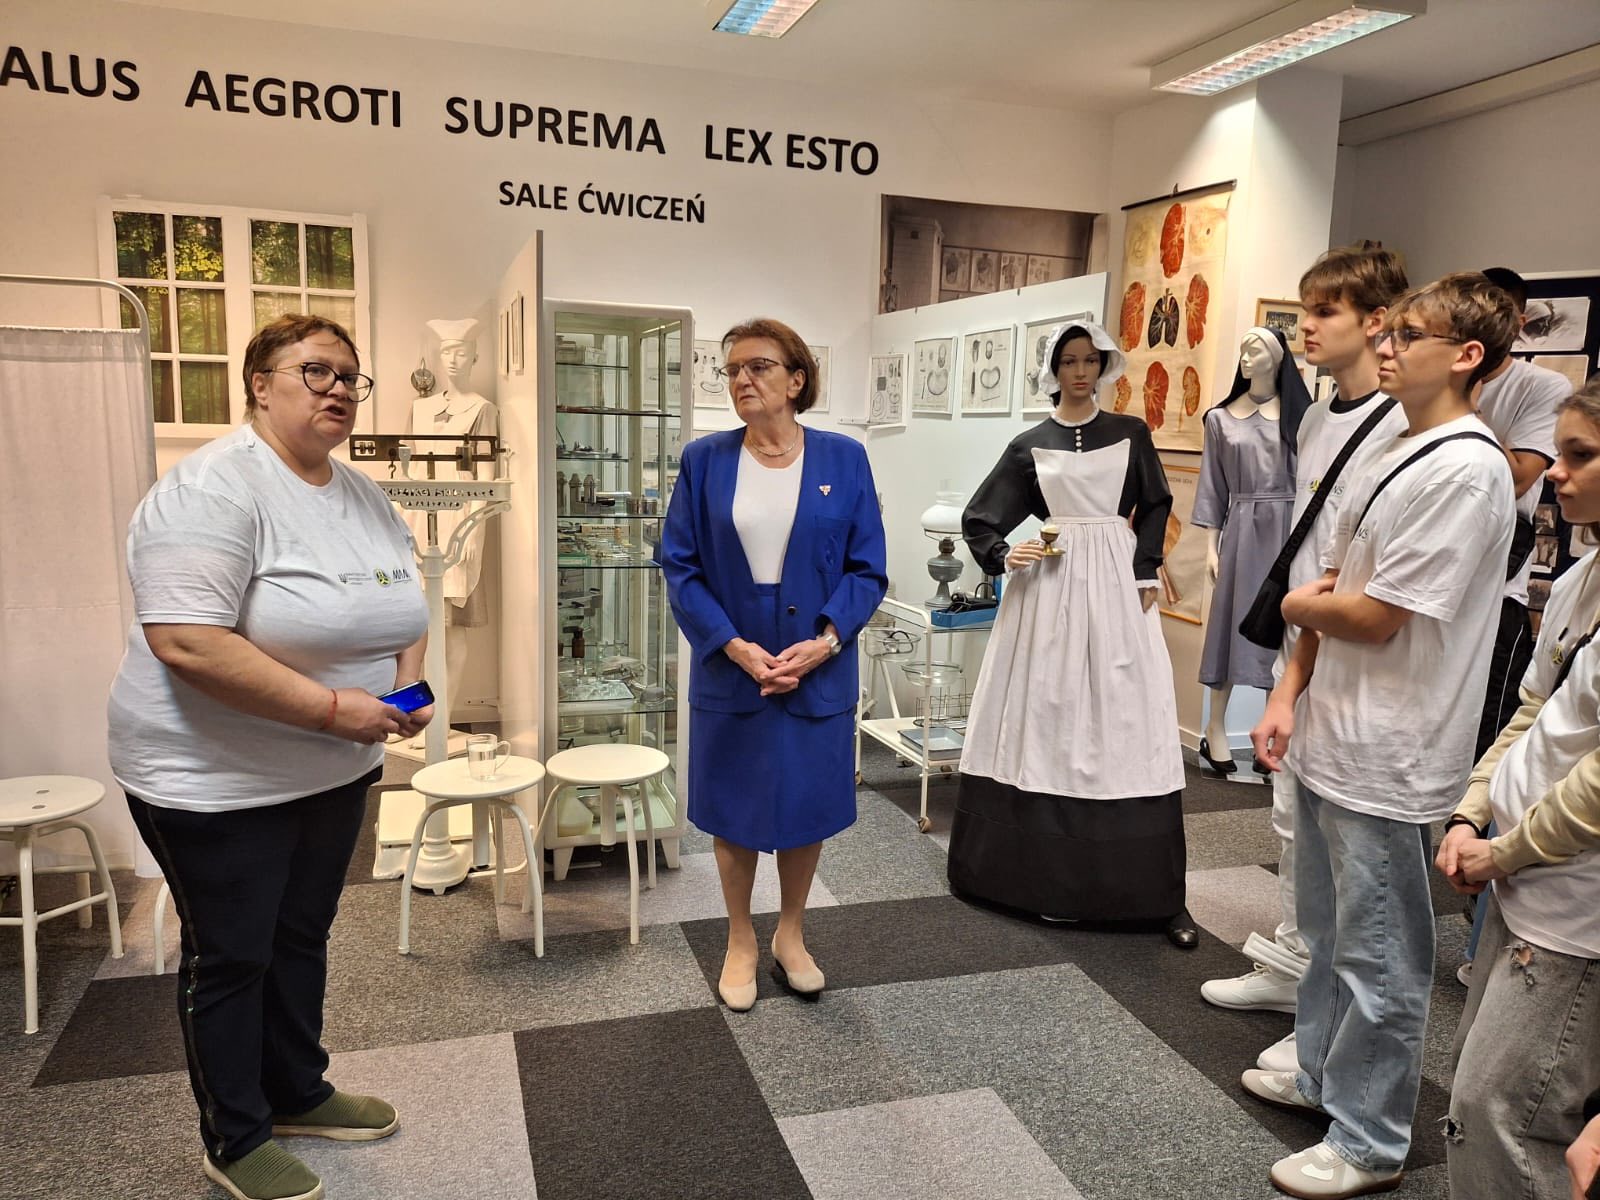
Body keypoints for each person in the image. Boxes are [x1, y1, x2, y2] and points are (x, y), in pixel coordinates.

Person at [106, 314, 430, 1200]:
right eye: (316, 371)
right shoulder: (210, 490)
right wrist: (332, 709)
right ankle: (236, 1136)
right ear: (260, 383)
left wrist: (406, 686)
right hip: (213, 777)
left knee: (300, 936)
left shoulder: (360, 494)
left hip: (332, 769)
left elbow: (406, 599)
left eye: (350, 378)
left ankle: (297, 1092)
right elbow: (187, 640)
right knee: (233, 953)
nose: (338, 390)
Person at [1245, 274, 1517, 1199]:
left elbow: (1372, 613)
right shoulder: (1395, 441)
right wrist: (1289, 690)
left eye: (1410, 335)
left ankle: (1370, 1140)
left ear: (1468, 356)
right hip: (1333, 731)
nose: (1388, 346)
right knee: (1328, 934)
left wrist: (1294, 607)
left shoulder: (1467, 469)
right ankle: (1322, 1075)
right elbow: (1334, 580)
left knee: (1381, 953)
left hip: (1392, 751)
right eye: (1388, 331)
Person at [1201, 243, 1410, 1075]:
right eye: (1306, 311)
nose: (1306, 328)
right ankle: (1294, 969)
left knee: (1350, 860)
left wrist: (1312, 629)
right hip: (1304, 639)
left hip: (1354, 652)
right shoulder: (1318, 418)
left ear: (1378, 321)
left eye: (1325, 312)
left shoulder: (1401, 425)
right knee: (1291, 821)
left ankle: (1326, 1018)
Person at [658, 317, 886, 1012]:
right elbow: (680, 566)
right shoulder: (705, 460)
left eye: (757, 366)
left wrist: (827, 641)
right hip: (733, 661)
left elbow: (867, 569)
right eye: (732, 370)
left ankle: (791, 932)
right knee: (734, 809)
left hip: (817, 661)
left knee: (805, 805)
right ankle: (739, 939)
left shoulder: (844, 459)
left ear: (796, 379)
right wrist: (731, 646)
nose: (742, 380)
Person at [948, 320, 1196, 948]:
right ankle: (1026, 880)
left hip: (1116, 585)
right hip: (1050, 589)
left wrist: (1145, 567)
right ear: (1053, 370)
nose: (1081, 372)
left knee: (1125, 714)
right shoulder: (1030, 443)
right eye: (1069, 361)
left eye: (1090, 360)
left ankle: (1147, 892)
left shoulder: (1130, 432)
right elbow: (981, 517)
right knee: (1044, 713)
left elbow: (1156, 503)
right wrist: (1005, 553)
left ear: (1103, 365)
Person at [1436, 375, 1600, 1200]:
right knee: (1477, 1101)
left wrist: (1504, 851)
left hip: (1577, 912)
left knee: (1506, 1115)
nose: (1555, 472)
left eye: (1581, 454)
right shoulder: (1579, 578)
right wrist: (1472, 812)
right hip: (1518, 879)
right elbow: (1534, 709)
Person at [1193, 326, 1310, 774]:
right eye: (1242, 350)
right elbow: (1212, 486)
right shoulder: (1221, 419)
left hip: (1290, 530)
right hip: (1241, 530)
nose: (1245, 358)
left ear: (1277, 360)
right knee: (1229, 625)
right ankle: (1215, 727)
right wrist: (1211, 545)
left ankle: (1270, 729)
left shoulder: (1301, 417)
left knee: (1282, 628)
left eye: (1255, 351)